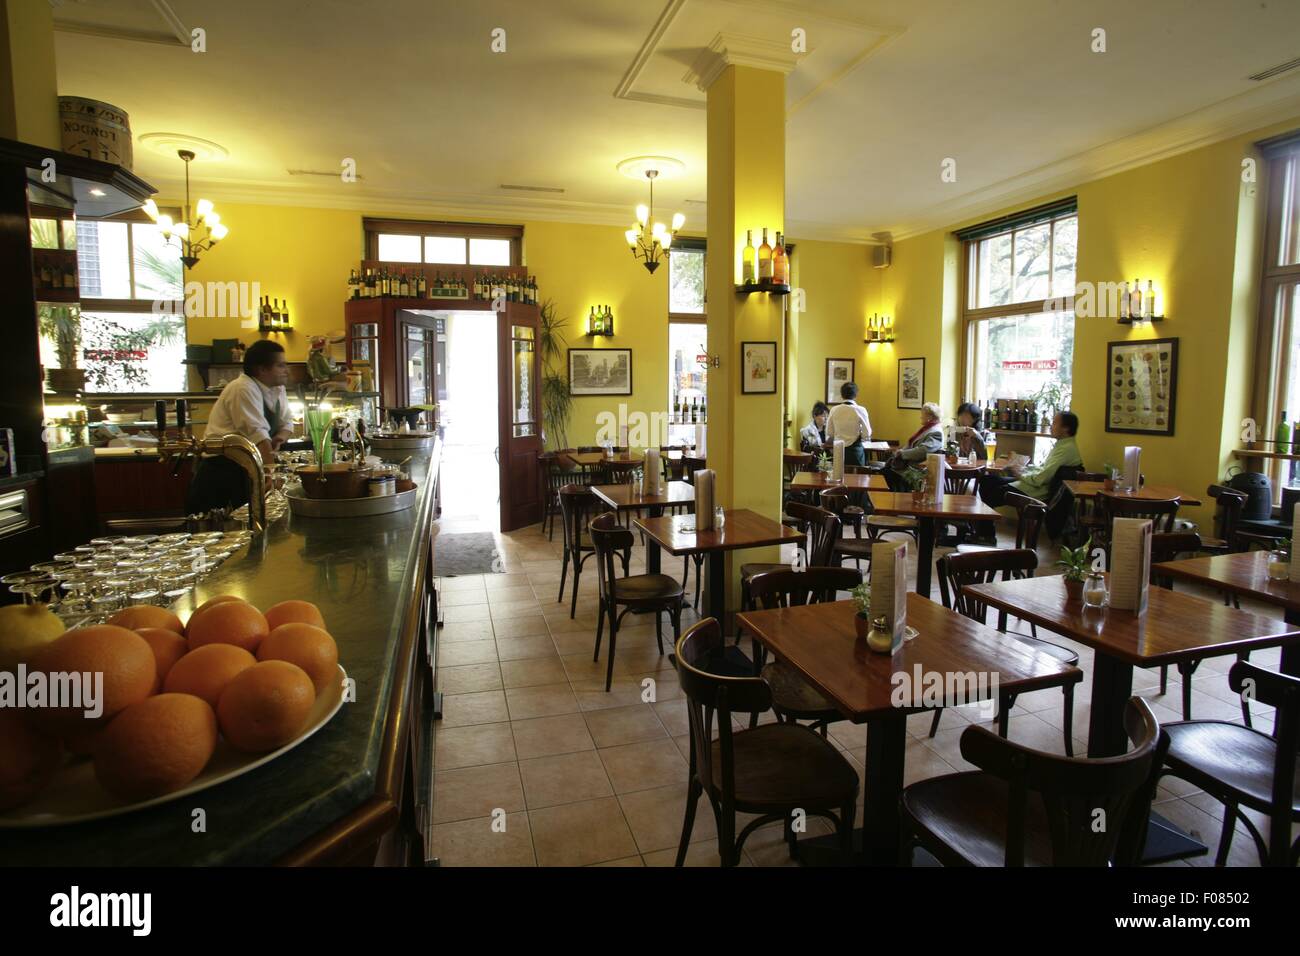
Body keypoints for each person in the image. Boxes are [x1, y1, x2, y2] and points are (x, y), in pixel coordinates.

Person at [186, 340, 293, 513]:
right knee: (226, 528)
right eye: (281, 366)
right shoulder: (243, 388)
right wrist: (270, 474)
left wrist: (280, 438)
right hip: (221, 470)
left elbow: (287, 421)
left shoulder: (277, 389)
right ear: (262, 369)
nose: (286, 370)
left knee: (251, 520)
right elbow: (257, 433)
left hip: (246, 467)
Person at [978, 410, 1083, 508]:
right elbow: (1044, 470)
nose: (1051, 426)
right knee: (987, 480)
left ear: (1066, 428)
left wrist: (1021, 474)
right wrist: (1024, 470)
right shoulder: (1063, 445)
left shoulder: (1065, 449)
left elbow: (1040, 479)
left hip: (1037, 491)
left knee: (994, 492)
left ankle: (984, 525)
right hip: (1034, 485)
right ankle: (985, 524)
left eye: (1055, 423)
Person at [884, 402, 945, 490]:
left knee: (885, 475)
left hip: (915, 469)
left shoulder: (936, 432)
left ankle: (890, 500)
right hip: (909, 465)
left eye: (923, 414)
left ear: (930, 417)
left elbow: (924, 450)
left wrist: (902, 453)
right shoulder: (928, 429)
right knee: (884, 473)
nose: (921, 417)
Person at [825, 382, 872, 466]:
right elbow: (867, 434)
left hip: (838, 449)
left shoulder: (834, 410)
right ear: (856, 395)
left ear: (841, 394)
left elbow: (830, 432)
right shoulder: (861, 410)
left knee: (839, 477)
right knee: (858, 477)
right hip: (855, 451)